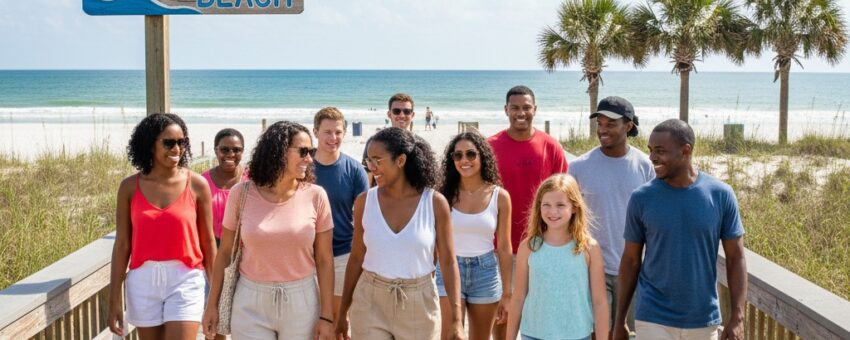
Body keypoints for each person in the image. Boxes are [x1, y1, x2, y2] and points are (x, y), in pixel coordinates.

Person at [613, 119, 747, 340]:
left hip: (702, 319)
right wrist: (619, 322)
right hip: (652, 317)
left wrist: (737, 318)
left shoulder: (721, 195)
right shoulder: (641, 198)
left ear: (685, 151)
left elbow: (736, 258)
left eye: (660, 151)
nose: (652, 157)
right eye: (650, 150)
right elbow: (630, 261)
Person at [202, 121, 335, 340]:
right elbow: (225, 253)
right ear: (279, 151)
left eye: (311, 152)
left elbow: (324, 259)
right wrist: (212, 305)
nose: (310, 158)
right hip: (250, 301)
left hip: (302, 301)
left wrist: (327, 317)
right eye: (303, 151)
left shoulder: (316, 195)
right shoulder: (241, 193)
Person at [335, 127, 465, 340]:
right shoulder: (363, 202)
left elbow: (449, 262)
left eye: (378, 160)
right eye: (368, 160)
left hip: (418, 302)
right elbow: (357, 257)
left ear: (401, 160)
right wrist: (343, 312)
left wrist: (457, 319)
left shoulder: (434, 202)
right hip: (370, 300)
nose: (372, 167)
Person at [108, 113, 216, 339]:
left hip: (185, 278)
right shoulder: (129, 187)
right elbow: (122, 245)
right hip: (143, 280)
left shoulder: (197, 185)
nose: (176, 148)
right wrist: (114, 299)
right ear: (150, 145)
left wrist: (216, 298)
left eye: (181, 142)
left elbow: (207, 243)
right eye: (168, 142)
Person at [488, 85, 568, 339]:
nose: (520, 113)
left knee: (542, 315)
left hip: (542, 245)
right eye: (515, 108)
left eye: (526, 107)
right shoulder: (490, 147)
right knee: (503, 315)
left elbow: (566, 198)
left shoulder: (552, 147)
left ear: (535, 109)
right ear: (506, 110)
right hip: (500, 247)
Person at [568, 96, 654, 332]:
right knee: (598, 333)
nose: (603, 130)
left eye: (610, 124)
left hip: (637, 271)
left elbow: (654, 219)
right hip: (594, 267)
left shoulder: (645, 166)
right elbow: (568, 220)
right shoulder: (578, 167)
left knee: (633, 334)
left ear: (628, 126)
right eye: (600, 124)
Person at [506, 174, 608, 340]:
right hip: (533, 334)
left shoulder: (589, 248)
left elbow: (600, 302)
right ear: (539, 207)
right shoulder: (528, 247)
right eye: (546, 205)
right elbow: (518, 298)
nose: (553, 211)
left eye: (560, 205)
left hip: (577, 335)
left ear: (574, 207)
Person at [436, 132, 513, 340]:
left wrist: (508, 292)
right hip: (450, 270)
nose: (464, 160)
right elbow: (435, 241)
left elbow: (505, 247)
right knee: (451, 335)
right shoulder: (443, 195)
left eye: (471, 154)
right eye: (457, 155)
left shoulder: (500, 196)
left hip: (486, 272)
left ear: (482, 156)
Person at [310, 107, 369, 321]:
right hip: (305, 256)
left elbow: (366, 218)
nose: (333, 138)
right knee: (307, 322)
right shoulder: (301, 166)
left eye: (338, 132)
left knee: (336, 321)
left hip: (342, 255)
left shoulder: (354, 170)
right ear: (315, 132)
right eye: (327, 132)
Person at [202, 128, 249, 247]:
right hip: (210, 246)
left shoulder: (252, 180)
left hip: (243, 247)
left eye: (236, 150)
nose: (231, 154)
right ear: (216, 151)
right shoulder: (202, 181)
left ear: (242, 152)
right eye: (224, 149)